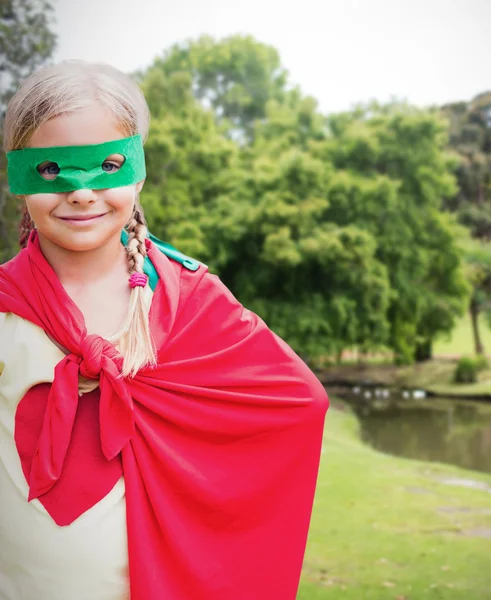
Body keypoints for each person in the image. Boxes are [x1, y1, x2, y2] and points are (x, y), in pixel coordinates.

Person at [0, 60, 329, 600]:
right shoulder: (6, 305)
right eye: (52, 170)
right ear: (19, 178)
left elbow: (297, 400)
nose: (82, 192)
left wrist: (196, 474)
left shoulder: (186, 298)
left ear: (139, 170)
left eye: (107, 165)